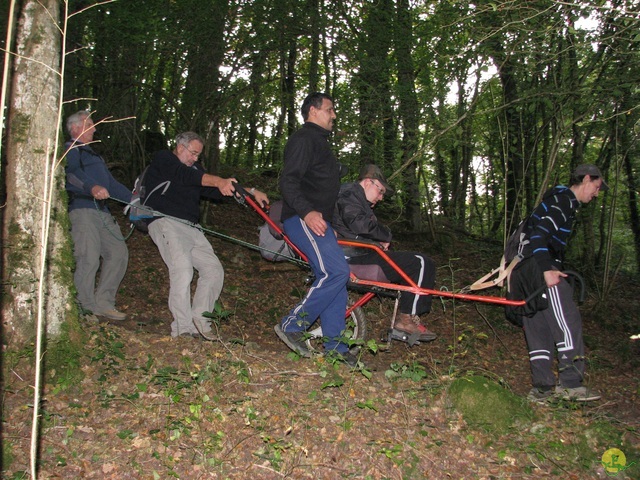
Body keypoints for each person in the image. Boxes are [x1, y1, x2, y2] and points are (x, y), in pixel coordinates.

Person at [143, 131, 269, 339]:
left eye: (198, 156)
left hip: (192, 227)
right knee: (182, 269)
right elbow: (188, 177)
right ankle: (182, 328)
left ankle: (200, 322)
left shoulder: (195, 169)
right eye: (192, 153)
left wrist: (250, 191)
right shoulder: (164, 159)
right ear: (180, 147)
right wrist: (219, 181)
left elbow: (214, 190)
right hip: (166, 222)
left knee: (213, 270)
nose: (195, 159)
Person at [275, 92, 357, 367]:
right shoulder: (304, 139)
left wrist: (331, 224)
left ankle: (336, 347)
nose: (334, 115)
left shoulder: (319, 144)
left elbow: (322, 189)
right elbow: (288, 181)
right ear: (313, 111)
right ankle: (292, 324)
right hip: (301, 218)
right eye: (330, 109)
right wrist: (308, 212)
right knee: (335, 272)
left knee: (337, 279)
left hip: (319, 223)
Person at [517, 164, 607, 403]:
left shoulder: (556, 200)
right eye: (596, 187)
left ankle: (542, 388)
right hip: (539, 267)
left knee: (539, 325)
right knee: (568, 319)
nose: (596, 193)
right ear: (587, 179)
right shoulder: (564, 201)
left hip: (524, 271)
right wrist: (548, 268)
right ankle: (570, 383)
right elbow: (539, 235)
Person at [332, 164, 437, 342]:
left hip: (361, 251)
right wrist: (385, 234)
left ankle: (407, 316)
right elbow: (358, 224)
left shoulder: (357, 199)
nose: (380, 198)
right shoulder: (350, 193)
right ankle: (406, 318)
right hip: (354, 254)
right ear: (367, 182)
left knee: (418, 262)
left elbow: (357, 227)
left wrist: (376, 241)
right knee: (420, 262)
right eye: (380, 191)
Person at [65, 110, 131, 321]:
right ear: (75, 128)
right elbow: (69, 173)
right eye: (90, 124)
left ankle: (104, 303)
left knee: (119, 254)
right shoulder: (71, 149)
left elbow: (111, 185)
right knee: (88, 257)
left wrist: (136, 201)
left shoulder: (95, 156)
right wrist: (91, 187)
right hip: (83, 209)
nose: (94, 129)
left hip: (103, 212)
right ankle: (84, 307)